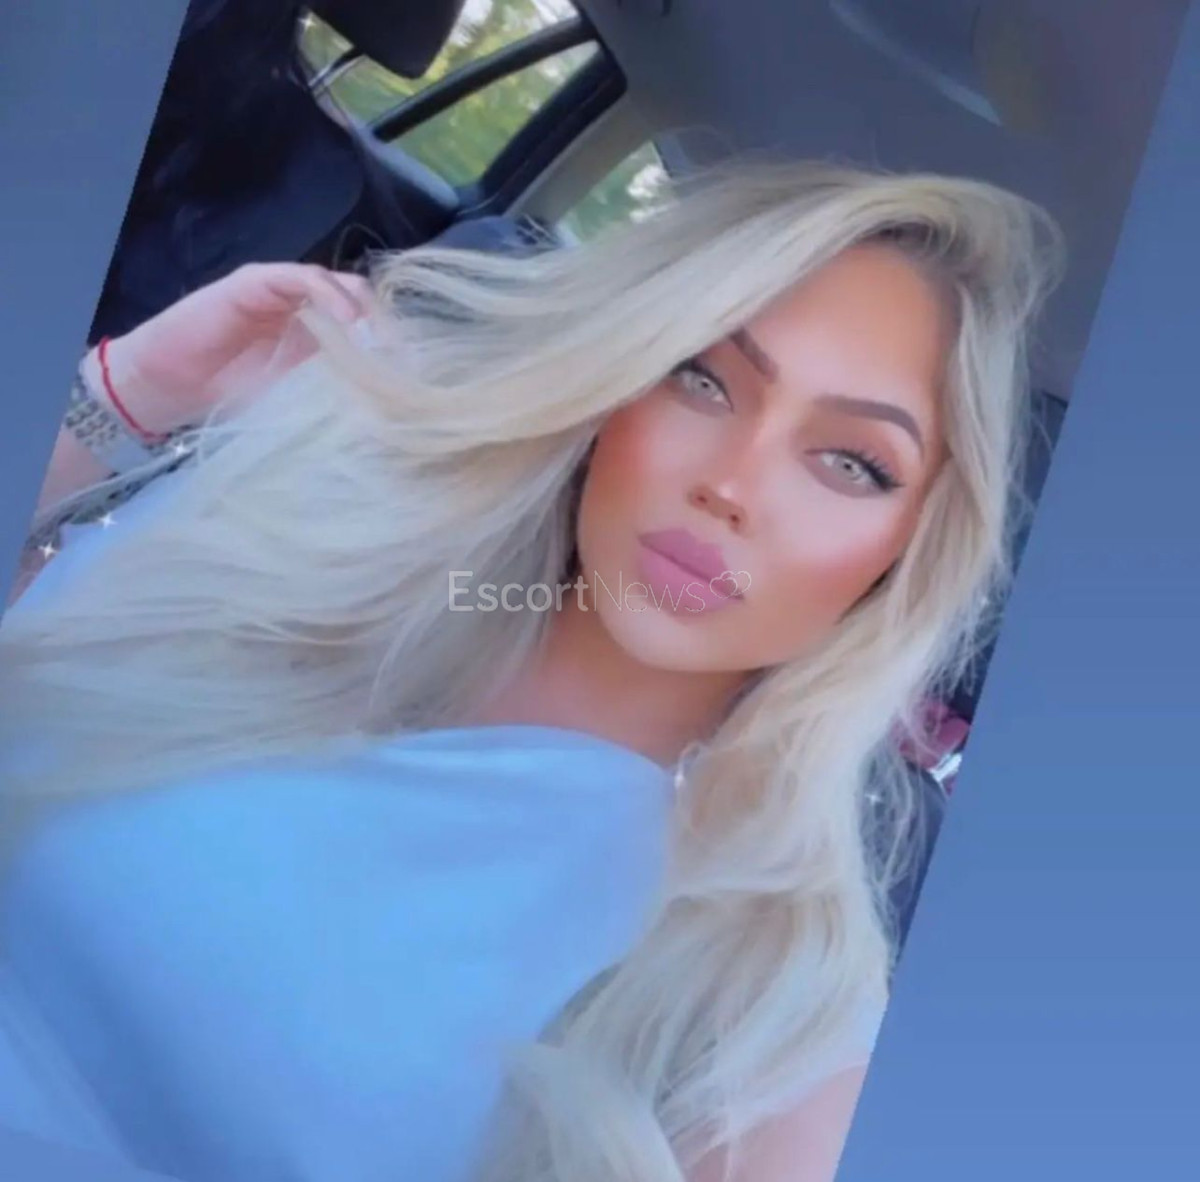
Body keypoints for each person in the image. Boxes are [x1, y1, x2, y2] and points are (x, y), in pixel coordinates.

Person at [0, 161, 1061, 1182]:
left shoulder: (771, 1003)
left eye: (852, 463)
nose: (733, 486)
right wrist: (126, 398)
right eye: (704, 379)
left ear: (906, 555)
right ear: (617, 379)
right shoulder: (308, 540)